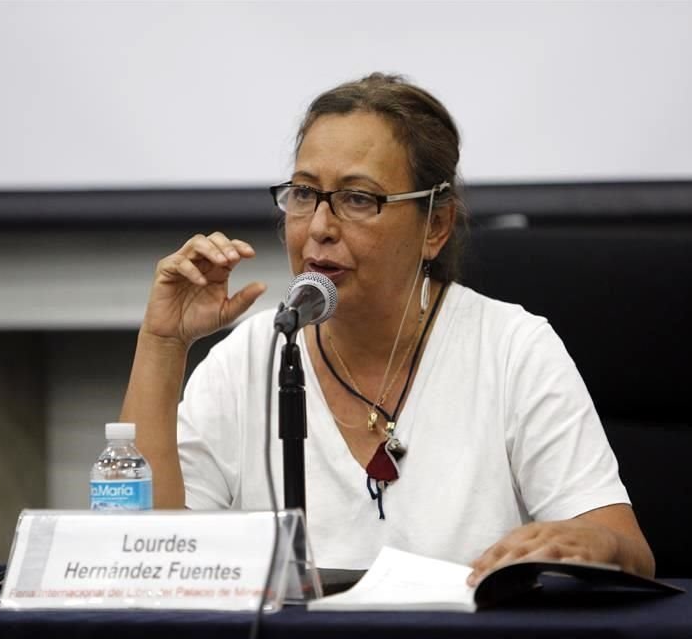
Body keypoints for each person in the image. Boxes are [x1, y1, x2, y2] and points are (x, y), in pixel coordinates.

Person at [121, 73, 655, 582]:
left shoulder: (512, 350)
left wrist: (593, 543)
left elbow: (623, 546)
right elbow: (149, 557)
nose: (320, 229)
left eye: (358, 199)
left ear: (435, 226)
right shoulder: (252, 356)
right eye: (304, 194)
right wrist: (163, 342)